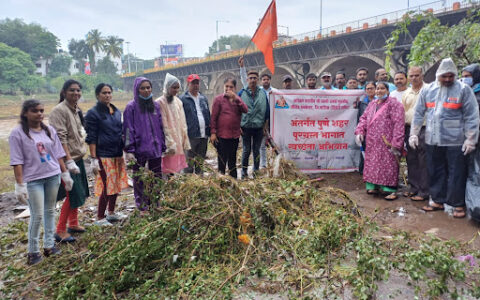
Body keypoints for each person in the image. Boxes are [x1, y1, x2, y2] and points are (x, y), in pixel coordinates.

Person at [410, 58, 479, 218]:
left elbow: (472, 116)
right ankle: (437, 200)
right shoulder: (428, 90)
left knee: (457, 173)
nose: (447, 79)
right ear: (438, 75)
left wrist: (471, 139)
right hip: (433, 138)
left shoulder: (463, 90)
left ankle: (457, 204)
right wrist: (414, 133)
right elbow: (419, 113)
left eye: (451, 76)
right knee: (435, 170)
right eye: (444, 76)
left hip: (456, 140)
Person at [9, 100, 73, 265]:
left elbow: (58, 154)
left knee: (50, 211)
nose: (39, 114)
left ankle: (49, 246)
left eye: (41, 110)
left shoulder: (49, 130)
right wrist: (20, 184)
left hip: (52, 175)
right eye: (34, 111)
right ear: (25, 113)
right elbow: (17, 161)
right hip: (33, 180)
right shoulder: (17, 133)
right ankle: (33, 252)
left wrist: (65, 174)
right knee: (36, 215)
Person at [49, 79, 89, 243]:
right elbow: (60, 137)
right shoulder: (59, 110)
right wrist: (68, 160)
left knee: (78, 193)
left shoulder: (75, 110)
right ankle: (59, 230)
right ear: (64, 92)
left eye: (78, 90)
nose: (76, 93)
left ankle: (73, 223)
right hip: (66, 160)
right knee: (71, 194)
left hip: (77, 157)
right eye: (72, 90)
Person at [85, 83, 128, 226]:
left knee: (115, 184)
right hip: (102, 154)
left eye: (109, 92)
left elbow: (120, 132)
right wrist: (93, 159)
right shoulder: (93, 113)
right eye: (104, 93)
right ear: (98, 95)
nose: (107, 95)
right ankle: (99, 217)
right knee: (105, 185)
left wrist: (124, 151)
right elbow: (91, 137)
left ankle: (111, 212)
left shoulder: (116, 111)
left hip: (116, 153)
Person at [355, 82, 405, 200]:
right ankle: (373, 186)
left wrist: (396, 142)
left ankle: (390, 189)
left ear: (388, 91)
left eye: (382, 88)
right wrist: (359, 132)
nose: (379, 91)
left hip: (387, 142)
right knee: (372, 164)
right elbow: (363, 119)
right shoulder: (372, 104)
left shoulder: (394, 104)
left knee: (388, 165)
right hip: (372, 142)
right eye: (377, 89)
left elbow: (399, 124)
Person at [123, 77, 166, 213]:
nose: (146, 90)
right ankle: (142, 206)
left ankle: (155, 201)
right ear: (137, 90)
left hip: (155, 147)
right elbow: (128, 129)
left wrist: (163, 145)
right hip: (139, 149)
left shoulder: (155, 105)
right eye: (143, 88)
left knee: (157, 176)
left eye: (148, 87)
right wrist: (129, 149)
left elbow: (160, 126)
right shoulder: (131, 107)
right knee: (139, 178)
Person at [210, 78, 248, 177]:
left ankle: (233, 182)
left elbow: (245, 109)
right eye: (226, 86)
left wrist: (236, 98)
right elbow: (213, 117)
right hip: (222, 136)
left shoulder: (237, 100)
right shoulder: (218, 99)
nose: (228, 89)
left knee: (232, 161)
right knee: (222, 161)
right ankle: (221, 181)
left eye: (231, 87)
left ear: (235, 88)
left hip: (234, 136)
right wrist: (213, 133)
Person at [402, 66, 429, 201]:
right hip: (408, 128)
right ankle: (414, 188)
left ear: (422, 75)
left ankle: (424, 191)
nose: (414, 78)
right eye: (411, 76)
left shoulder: (429, 89)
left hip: (424, 129)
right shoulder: (406, 93)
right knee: (411, 159)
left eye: (416, 75)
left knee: (423, 160)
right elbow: (403, 111)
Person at [156, 73, 190, 176]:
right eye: (173, 88)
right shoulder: (159, 102)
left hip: (178, 139)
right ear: (167, 87)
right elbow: (164, 124)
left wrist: (184, 139)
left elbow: (183, 122)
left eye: (177, 88)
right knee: (167, 168)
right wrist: (169, 142)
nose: (176, 90)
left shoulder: (178, 102)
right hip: (167, 141)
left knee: (176, 169)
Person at [239, 69, 269, 178]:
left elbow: (267, 111)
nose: (252, 80)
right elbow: (237, 110)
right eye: (250, 78)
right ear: (247, 80)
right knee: (246, 150)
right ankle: (244, 171)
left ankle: (256, 171)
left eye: (255, 78)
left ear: (258, 80)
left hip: (258, 127)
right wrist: (238, 126)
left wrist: (265, 126)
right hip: (245, 127)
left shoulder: (262, 93)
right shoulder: (242, 93)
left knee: (256, 150)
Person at [180, 74, 211, 175]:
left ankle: (199, 182)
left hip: (203, 135)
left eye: (197, 83)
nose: (195, 85)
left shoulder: (203, 98)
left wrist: (210, 132)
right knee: (189, 163)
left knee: (200, 162)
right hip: (191, 136)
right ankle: (188, 182)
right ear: (188, 84)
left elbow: (207, 114)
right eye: (193, 83)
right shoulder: (183, 99)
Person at [463, 63, 480, 220]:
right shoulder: (466, 93)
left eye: (467, 77)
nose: (464, 79)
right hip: (466, 139)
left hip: (476, 140)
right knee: (471, 172)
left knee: (476, 173)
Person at [357, 82, 376, 174]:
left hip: (377, 132)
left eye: (371, 88)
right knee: (364, 150)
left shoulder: (381, 101)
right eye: (368, 89)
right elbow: (360, 117)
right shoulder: (362, 103)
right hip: (365, 131)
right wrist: (359, 131)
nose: (370, 90)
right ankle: (363, 171)